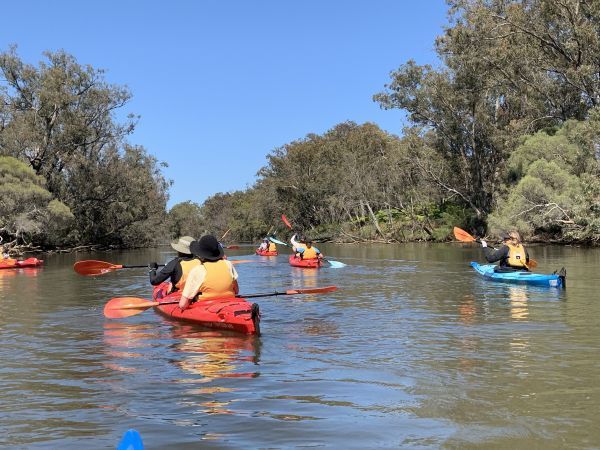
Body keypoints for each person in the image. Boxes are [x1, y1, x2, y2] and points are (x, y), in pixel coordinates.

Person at [178, 234, 240, 311]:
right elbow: (236, 291)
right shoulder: (228, 264)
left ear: (200, 254)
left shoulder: (197, 270)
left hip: (205, 307)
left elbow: (182, 305)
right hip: (230, 303)